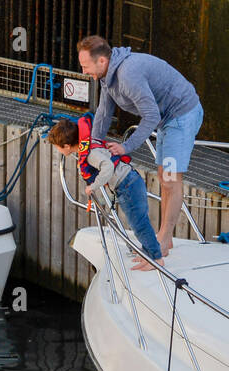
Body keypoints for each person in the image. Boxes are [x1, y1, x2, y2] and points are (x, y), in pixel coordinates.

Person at [77, 35, 203, 259]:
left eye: (86, 66)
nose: (84, 72)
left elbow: (151, 115)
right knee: (164, 176)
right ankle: (166, 236)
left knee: (171, 178)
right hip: (167, 120)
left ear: (102, 61)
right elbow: (104, 113)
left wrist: (126, 147)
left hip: (182, 115)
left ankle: (163, 239)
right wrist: (93, 147)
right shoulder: (108, 76)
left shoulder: (127, 75)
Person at [47, 117, 164, 269]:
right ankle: (148, 252)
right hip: (129, 182)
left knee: (139, 224)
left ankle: (157, 259)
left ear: (67, 146)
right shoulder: (89, 145)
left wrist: (93, 186)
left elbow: (108, 166)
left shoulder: (90, 155)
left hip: (127, 185)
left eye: (58, 147)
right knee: (138, 223)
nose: (58, 150)